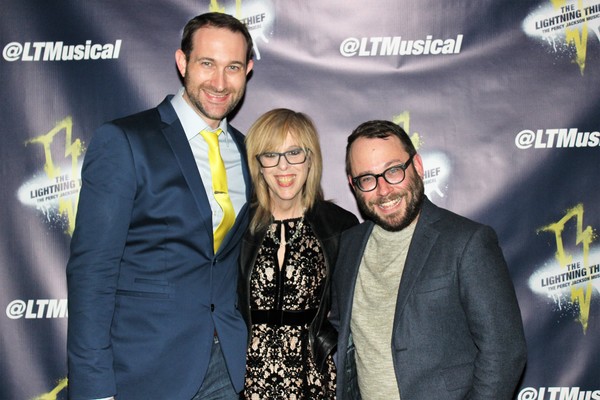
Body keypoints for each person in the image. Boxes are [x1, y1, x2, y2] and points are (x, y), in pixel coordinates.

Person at [66, 13, 254, 400]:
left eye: (232, 67)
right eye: (207, 64)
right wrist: (93, 387)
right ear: (182, 63)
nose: (220, 82)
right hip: (141, 370)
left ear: (248, 70)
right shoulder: (124, 141)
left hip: (225, 367)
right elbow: (92, 272)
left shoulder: (247, 149)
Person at [330, 120, 527, 400]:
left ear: (418, 167)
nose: (384, 190)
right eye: (367, 179)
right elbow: (343, 331)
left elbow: (505, 350)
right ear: (353, 185)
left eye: (394, 171)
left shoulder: (467, 241)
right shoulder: (349, 245)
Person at [238, 109, 359, 399]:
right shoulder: (241, 225)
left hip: (315, 380)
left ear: (310, 158)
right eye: (270, 155)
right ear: (259, 164)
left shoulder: (339, 226)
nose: (283, 167)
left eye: (294, 153)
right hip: (248, 382)